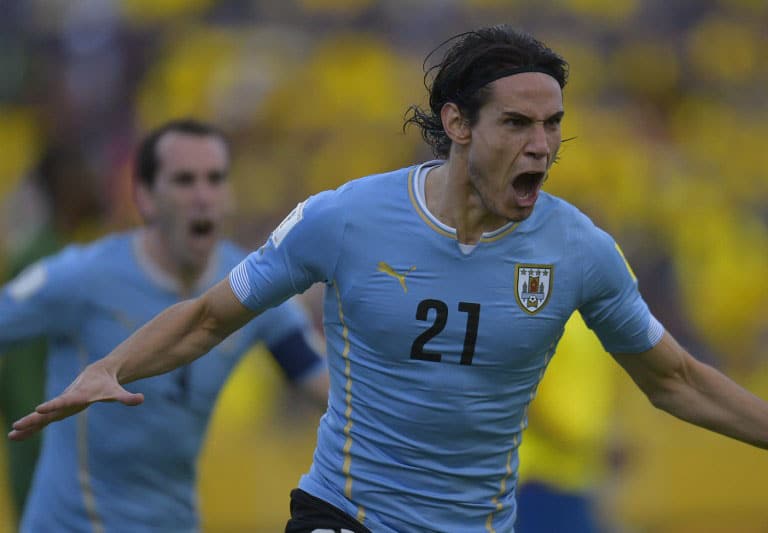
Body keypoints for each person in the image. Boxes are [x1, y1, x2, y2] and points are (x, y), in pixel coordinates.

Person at [9, 25, 768, 533]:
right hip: (346, 512)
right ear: (459, 123)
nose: (543, 145)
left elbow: (675, 379)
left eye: (553, 124)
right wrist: (110, 366)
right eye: (517, 124)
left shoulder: (580, 249)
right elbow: (209, 317)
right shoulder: (345, 219)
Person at [2, 118, 328, 532]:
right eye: (184, 180)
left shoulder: (250, 286)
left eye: (215, 180)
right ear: (145, 197)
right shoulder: (80, 277)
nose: (203, 197)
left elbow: (324, 386)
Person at [515, 312, 623, 533]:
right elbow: (528, 396)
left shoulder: (596, 322)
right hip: (537, 475)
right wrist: (593, 441)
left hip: (575, 476)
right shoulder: (546, 317)